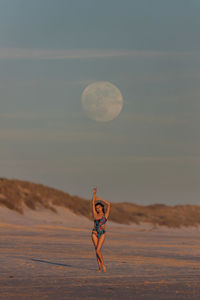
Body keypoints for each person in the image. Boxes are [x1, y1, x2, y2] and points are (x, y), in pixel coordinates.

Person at [91, 186, 111, 272]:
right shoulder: (95, 214)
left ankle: (103, 264)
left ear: (102, 207)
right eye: (96, 208)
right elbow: (92, 204)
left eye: (98, 207)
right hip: (94, 232)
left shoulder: (105, 215)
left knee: (98, 250)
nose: (97, 209)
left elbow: (109, 204)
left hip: (102, 233)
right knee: (96, 251)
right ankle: (99, 267)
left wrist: (100, 199)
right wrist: (94, 194)